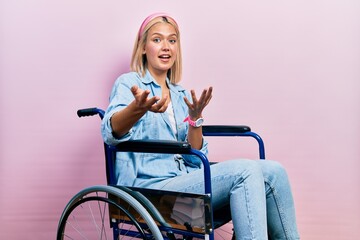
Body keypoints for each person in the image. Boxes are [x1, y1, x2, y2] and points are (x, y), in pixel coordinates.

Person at [101, 13, 300, 240]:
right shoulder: (129, 83)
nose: (166, 47)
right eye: (157, 40)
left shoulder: (180, 94)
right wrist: (137, 108)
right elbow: (110, 132)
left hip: (184, 184)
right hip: (150, 192)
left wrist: (195, 120)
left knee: (274, 171)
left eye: (172, 40)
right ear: (143, 47)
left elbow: (194, 159)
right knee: (246, 171)